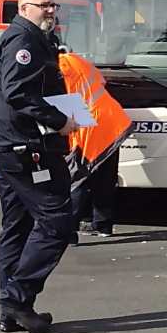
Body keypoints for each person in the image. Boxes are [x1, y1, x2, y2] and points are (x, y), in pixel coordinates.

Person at [0, 0, 78, 333]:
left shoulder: (26, 37)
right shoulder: (23, 40)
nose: (51, 11)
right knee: (57, 220)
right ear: (24, 8)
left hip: (8, 145)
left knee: (18, 226)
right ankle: (17, 298)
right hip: (24, 147)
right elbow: (17, 92)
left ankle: (12, 311)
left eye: (54, 5)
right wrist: (59, 120)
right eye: (44, 6)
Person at [58, 51, 132, 237]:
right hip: (113, 120)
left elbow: (59, 100)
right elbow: (101, 82)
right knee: (105, 177)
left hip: (88, 123)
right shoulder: (76, 59)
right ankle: (103, 225)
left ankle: (69, 229)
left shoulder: (56, 68)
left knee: (78, 177)